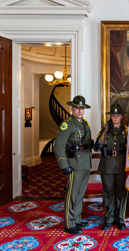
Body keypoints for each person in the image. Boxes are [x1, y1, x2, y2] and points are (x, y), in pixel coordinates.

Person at [54, 95, 94, 235]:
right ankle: (69, 224)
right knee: (71, 195)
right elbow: (58, 146)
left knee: (79, 195)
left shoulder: (85, 123)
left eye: (82, 108)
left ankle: (76, 219)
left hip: (85, 164)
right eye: (77, 108)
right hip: (74, 165)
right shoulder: (68, 124)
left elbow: (86, 142)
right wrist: (63, 165)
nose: (80, 110)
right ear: (72, 108)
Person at [94, 104, 128, 231]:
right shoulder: (105, 130)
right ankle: (109, 219)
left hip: (121, 165)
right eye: (113, 115)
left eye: (117, 115)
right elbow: (96, 146)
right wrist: (105, 131)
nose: (115, 117)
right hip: (107, 165)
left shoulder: (126, 130)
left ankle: (120, 219)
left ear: (121, 116)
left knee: (120, 193)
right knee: (108, 193)